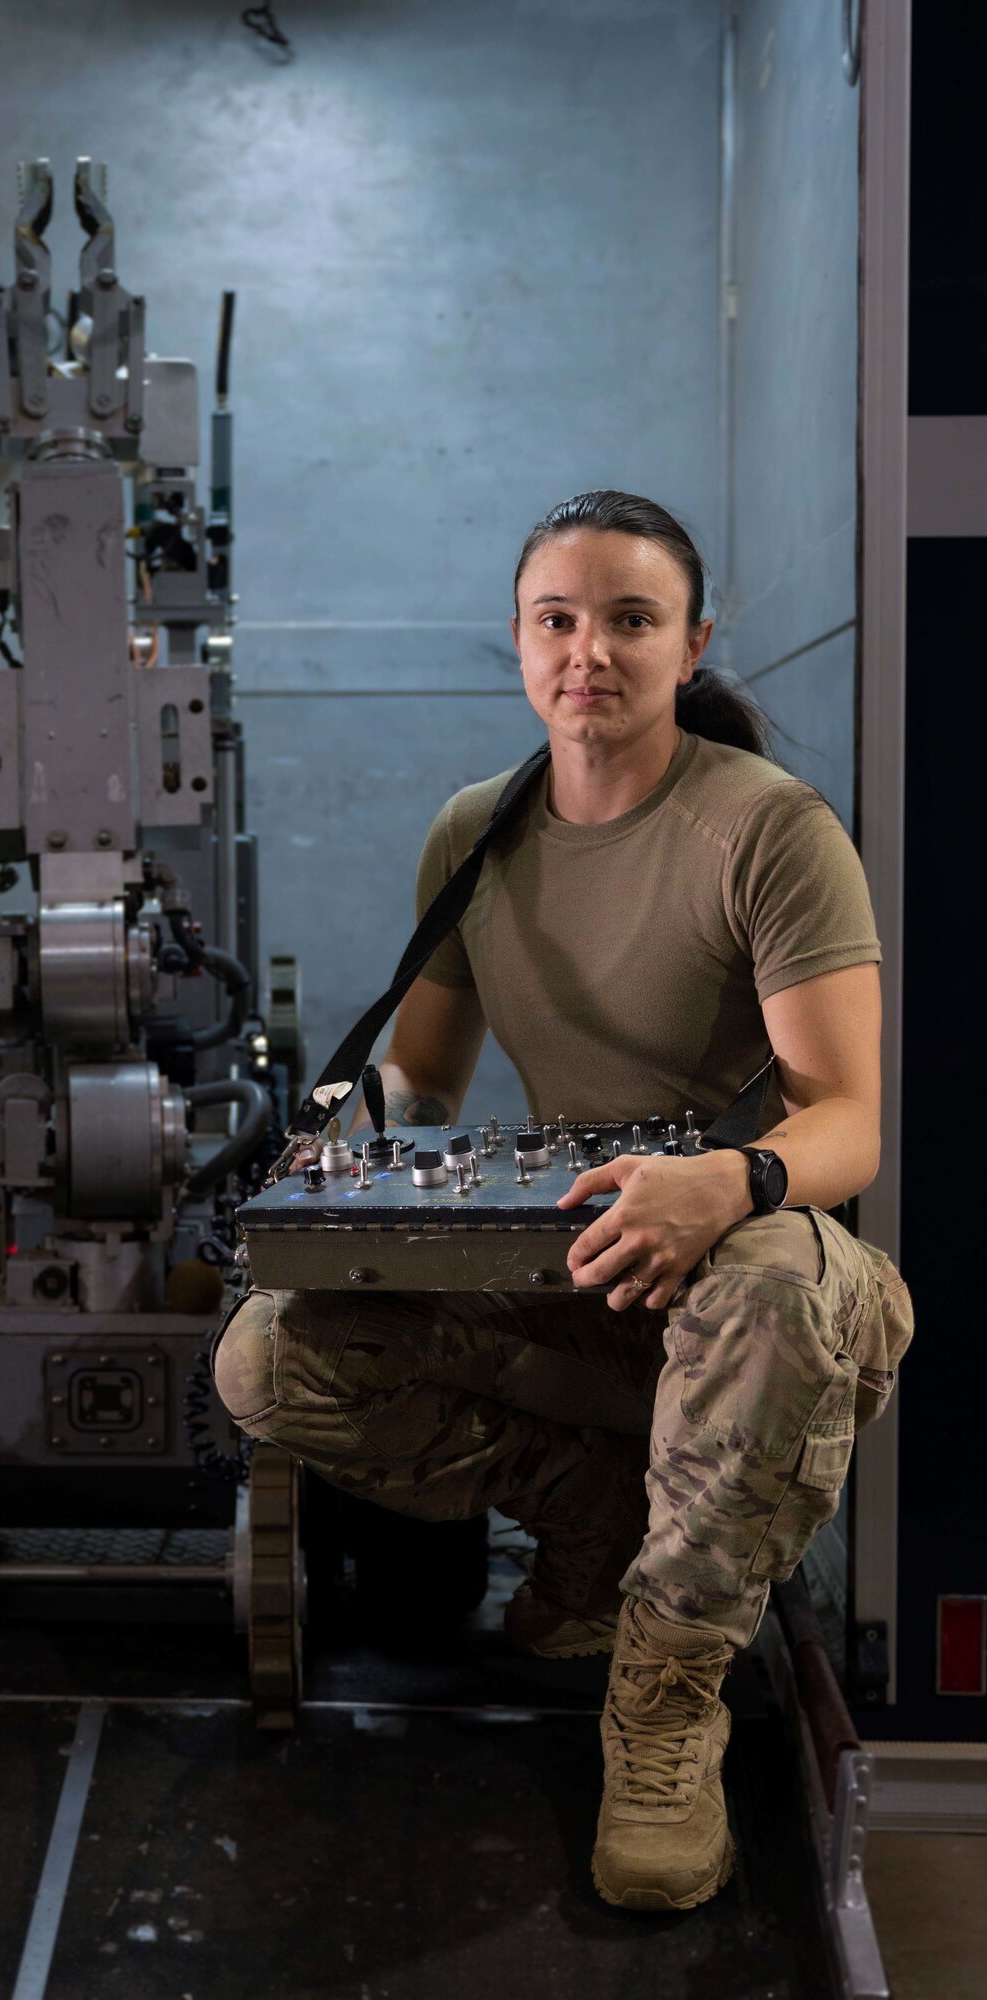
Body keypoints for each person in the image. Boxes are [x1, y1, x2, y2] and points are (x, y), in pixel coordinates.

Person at [214, 489, 913, 1911]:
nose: (588, 651)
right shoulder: (477, 833)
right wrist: (354, 1127)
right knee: (270, 1352)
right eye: (558, 619)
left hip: (751, 1267)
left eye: (629, 620)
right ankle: (591, 1516)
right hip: (572, 1261)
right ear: (520, 640)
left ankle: (664, 1703)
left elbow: (849, 1119)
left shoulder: (769, 830)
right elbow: (421, 1074)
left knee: (779, 1279)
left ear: (689, 640)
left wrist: (726, 1179)